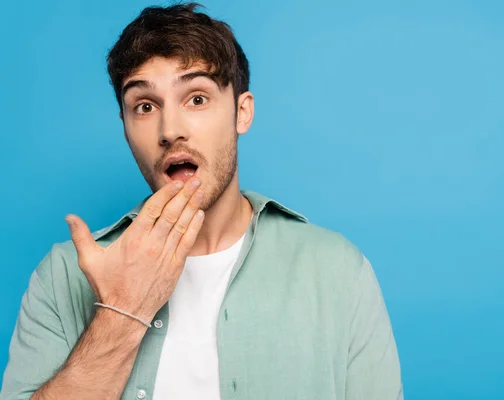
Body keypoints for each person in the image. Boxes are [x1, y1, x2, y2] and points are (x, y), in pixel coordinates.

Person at [0, 3, 402, 399]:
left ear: (241, 113)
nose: (170, 130)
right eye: (144, 106)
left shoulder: (338, 272)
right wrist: (121, 313)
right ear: (124, 127)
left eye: (196, 99)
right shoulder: (61, 277)